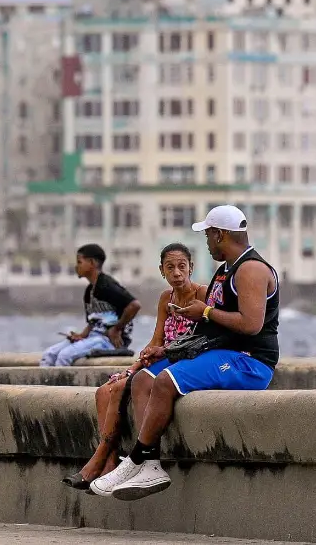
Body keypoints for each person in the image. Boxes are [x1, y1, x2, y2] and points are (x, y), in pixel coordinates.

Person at [91, 205, 280, 500]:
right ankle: (149, 464)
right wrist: (166, 350)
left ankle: (138, 459)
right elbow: (213, 327)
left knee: (165, 381)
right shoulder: (225, 271)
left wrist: (204, 311)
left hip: (248, 362)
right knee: (143, 379)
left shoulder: (251, 269)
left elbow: (251, 325)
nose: (206, 242)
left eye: (207, 235)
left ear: (220, 234)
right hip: (221, 353)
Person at [63, 242, 207, 490]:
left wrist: (156, 356)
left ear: (191, 267)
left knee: (119, 390)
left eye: (182, 266)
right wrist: (137, 363)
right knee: (103, 391)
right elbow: (157, 340)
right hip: (162, 359)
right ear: (162, 270)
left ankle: (99, 461)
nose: (176, 273)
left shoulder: (202, 295)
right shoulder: (165, 298)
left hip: (182, 362)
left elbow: (201, 340)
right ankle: (109, 462)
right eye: (170, 267)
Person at [40, 244, 141, 367]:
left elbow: (134, 305)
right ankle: (46, 386)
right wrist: (81, 335)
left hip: (109, 340)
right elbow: (94, 321)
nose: (77, 267)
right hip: (93, 337)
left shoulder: (106, 285)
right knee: (49, 355)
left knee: (65, 356)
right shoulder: (89, 291)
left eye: (79, 262)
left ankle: (62, 386)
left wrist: (117, 328)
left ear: (92, 263)